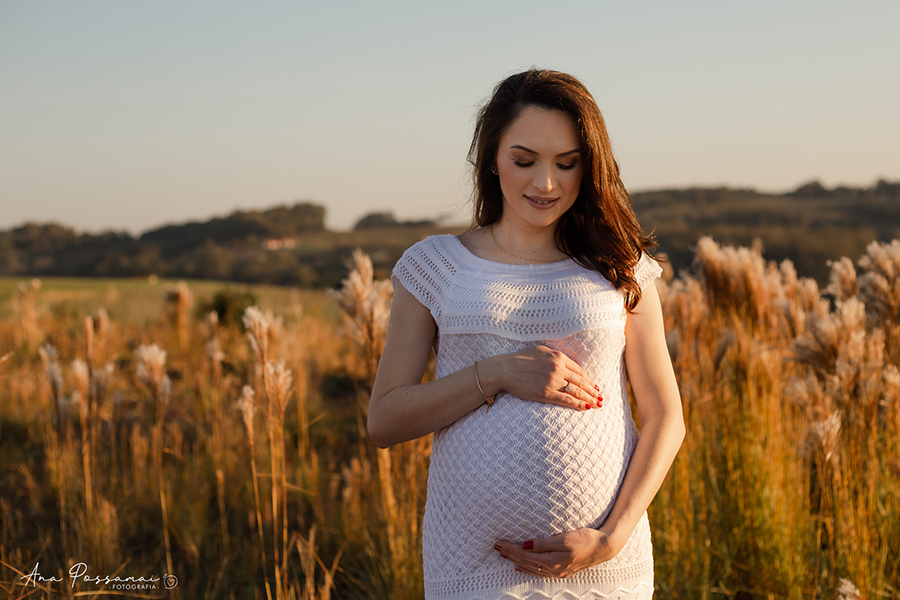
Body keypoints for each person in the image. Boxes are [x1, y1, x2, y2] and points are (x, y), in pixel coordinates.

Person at [368, 69, 684, 600]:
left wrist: (611, 538)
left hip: (604, 569)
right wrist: (496, 373)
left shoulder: (621, 266)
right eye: (524, 160)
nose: (545, 184)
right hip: (472, 568)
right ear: (492, 157)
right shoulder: (436, 266)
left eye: (566, 163)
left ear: (589, 165)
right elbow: (384, 419)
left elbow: (665, 416)